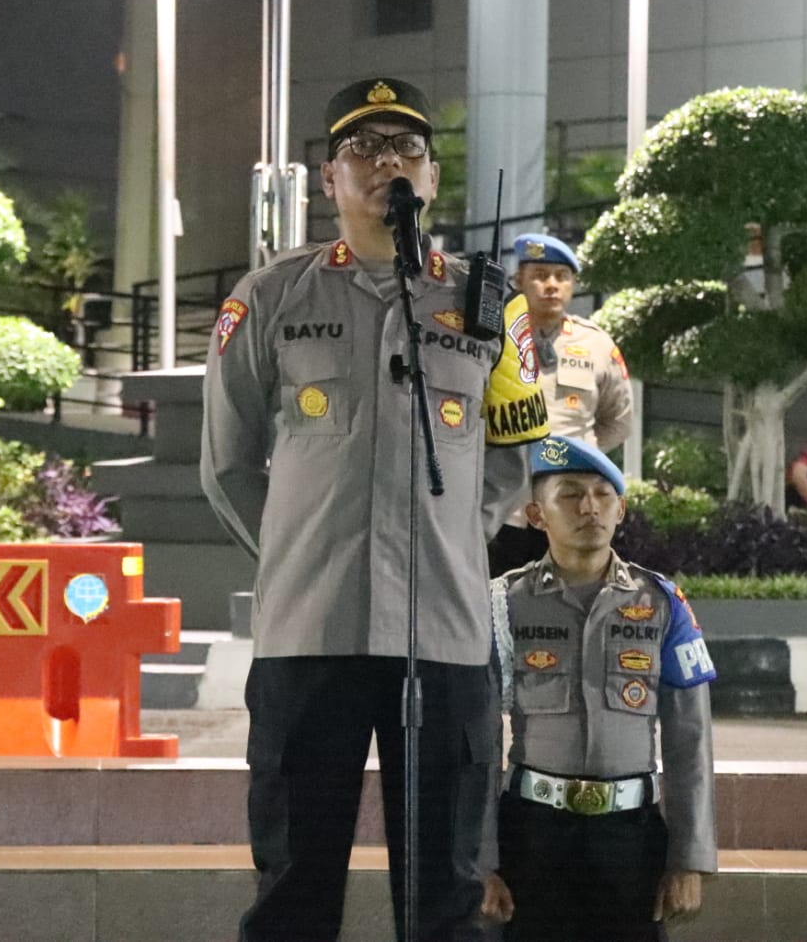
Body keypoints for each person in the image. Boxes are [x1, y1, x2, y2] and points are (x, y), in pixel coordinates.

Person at [201, 75, 549, 942]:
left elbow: (514, 454)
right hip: (308, 635)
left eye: (405, 148)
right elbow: (228, 466)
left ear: (432, 177)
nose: (385, 162)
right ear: (329, 178)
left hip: (445, 638)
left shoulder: (490, 304)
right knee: (293, 888)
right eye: (362, 147)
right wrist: (299, 554)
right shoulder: (270, 298)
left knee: (446, 897)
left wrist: (452, 546)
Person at [481, 434, 717, 941]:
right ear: (536, 515)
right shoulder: (502, 605)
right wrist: (481, 860)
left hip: (631, 841)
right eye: (569, 494)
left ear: (620, 510)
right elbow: (478, 741)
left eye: (602, 494)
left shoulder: (662, 604)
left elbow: (690, 741)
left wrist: (689, 858)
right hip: (532, 837)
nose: (589, 507)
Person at [487, 232, 633, 577]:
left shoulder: (596, 344)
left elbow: (619, 421)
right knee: (496, 595)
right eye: (539, 276)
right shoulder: (492, 339)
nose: (551, 285)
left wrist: (576, 455)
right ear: (518, 281)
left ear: (573, 284)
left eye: (561, 276)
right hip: (505, 507)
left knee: (573, 592)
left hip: (572, 509)